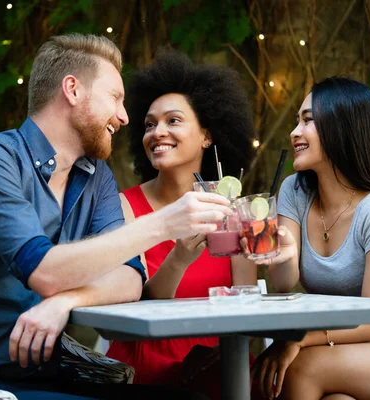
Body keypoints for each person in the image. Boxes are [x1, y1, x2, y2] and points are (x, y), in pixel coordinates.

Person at [0, 34, 234, 400]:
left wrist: (67, 301)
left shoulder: (96, 177)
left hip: (46, 375)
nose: (124, 116)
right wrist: (163, 223)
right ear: (72, 89)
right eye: (115, 98)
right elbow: (45, 272)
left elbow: (131, 280)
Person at [249, 77, 370, 400]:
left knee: (302, 368)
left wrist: (298, 338)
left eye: (308, 120)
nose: (295, 132)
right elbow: (285, 281)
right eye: (297, 121)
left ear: (342, 127)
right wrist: (283, 255)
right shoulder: (294, 192)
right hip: (348, 343)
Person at [105, 48, 258, 399]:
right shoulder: (122, 206)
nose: (157, 132)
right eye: (148, 124)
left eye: (173, 121)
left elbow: (246, 306)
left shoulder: (230, 206)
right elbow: (126, 318)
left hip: (221, 368)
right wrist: (179, 257)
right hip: (148, 373)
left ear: (207, 135)